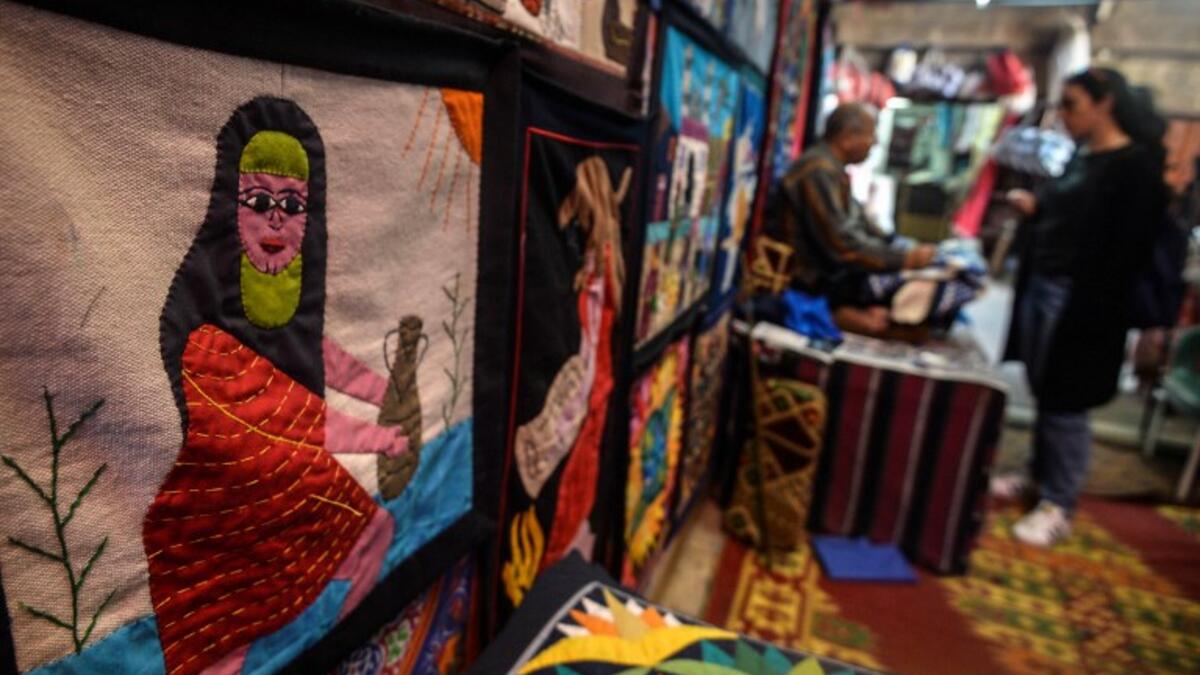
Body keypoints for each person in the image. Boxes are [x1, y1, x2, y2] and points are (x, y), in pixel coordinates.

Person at [995, 68, 1169, 547]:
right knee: (1046, 388)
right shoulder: (1083, 158)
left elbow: (1131, 249)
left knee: (1066, 400)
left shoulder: (1133, 168)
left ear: (1104, 103)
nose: (1064, 116)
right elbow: (1068, 215)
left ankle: (1059, 501)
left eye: (1071, 104)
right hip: (1047, 284)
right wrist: (1037, 210)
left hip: (1085, 301)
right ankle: (1038, 475)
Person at [762, 102, 938, 335]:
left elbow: (863, 226)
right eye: (871, 135)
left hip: (828, 274)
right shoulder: (818, 171)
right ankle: (837, 314)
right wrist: (905, 259)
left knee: (924, 286)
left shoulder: (832, 171)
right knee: (919, 295)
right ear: (847, 137)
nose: (874, 143)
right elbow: (843, 245)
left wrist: (900, 248)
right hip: (809, 280)